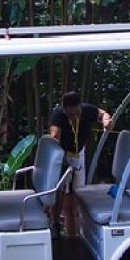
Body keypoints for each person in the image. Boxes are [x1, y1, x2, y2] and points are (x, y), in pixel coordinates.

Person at [47, 91, 112, 236]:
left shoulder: (87, 110)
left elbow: (102, 114)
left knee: (76, 195)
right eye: (71, 114)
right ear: (64, 110)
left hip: (79, 154)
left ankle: (76, 234)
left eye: (77, 113)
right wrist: (54, 138)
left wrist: (107, 121)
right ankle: (56, 225)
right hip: (63, 156)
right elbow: (54, 134)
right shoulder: (58, 115)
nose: (75, 117)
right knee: (60, 193)